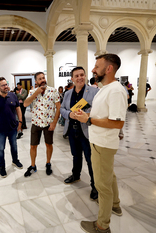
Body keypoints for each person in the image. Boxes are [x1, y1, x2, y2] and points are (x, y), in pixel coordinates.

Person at [75, 54, 127, 233]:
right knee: (109, 175)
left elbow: (117, 123)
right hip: (99, 141)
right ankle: (115, 205)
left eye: (97, 66)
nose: (93, 70)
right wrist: (87, 116)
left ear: (109, 69)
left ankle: (102, 226)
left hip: (103, 144)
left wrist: (89, 119)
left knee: (102, 185)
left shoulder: (116, 90)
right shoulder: (105, 88)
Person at [60, 67, 99, 201]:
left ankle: (95, 186)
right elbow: (62, 109)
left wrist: (86, 115)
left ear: (85, 76)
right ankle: (76, 175)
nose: (79, 78)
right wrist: (70, 114)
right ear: (72, 79)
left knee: (90, 159)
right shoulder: (67, 93)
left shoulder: (94, 91)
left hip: (86, 131)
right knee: (76, 155)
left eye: (82, 75)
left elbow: (99, 109)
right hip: (72, 130)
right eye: (76, 76)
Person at [23, 72, 61, 177]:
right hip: (36, 123)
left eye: (43, 78)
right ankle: (33, 165)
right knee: (33, 146)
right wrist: (36, 93)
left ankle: (48, 163)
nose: (42, 80)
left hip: (49, 123)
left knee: (49, 144)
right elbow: (25, 104)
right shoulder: (32, 92)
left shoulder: (53, 91)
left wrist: (54, 123)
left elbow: (58, 107)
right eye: (40, 79)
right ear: (36, 81)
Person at [0, 77, 23, 178]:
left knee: (14, 146)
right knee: (1, 149)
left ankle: (15, 161)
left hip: (12, 127)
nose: (6, 86)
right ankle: (2, 167)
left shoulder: (13, 96)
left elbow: (18, 109)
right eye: (3, 85)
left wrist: (20, 122)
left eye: (6, 84)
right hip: (0, 129)